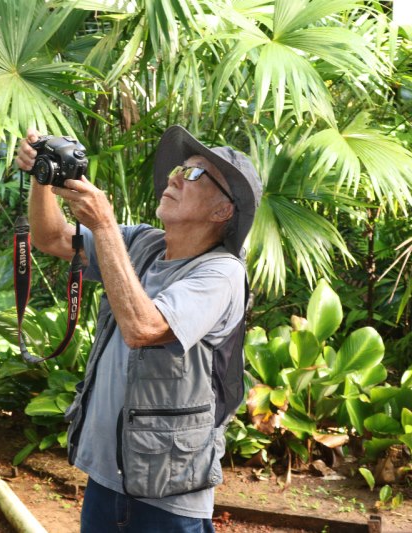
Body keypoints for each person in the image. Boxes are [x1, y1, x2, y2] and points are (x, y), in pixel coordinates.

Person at [15, 125, 263, 533]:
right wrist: (45, 180)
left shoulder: (221, 273)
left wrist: (106, 225)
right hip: (107, 478)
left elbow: (144, 328)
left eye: (196, 174)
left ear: (223, 211)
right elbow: (53, 238)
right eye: (180, 168)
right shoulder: (142, 244)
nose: (177, 177)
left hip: (168, 494)